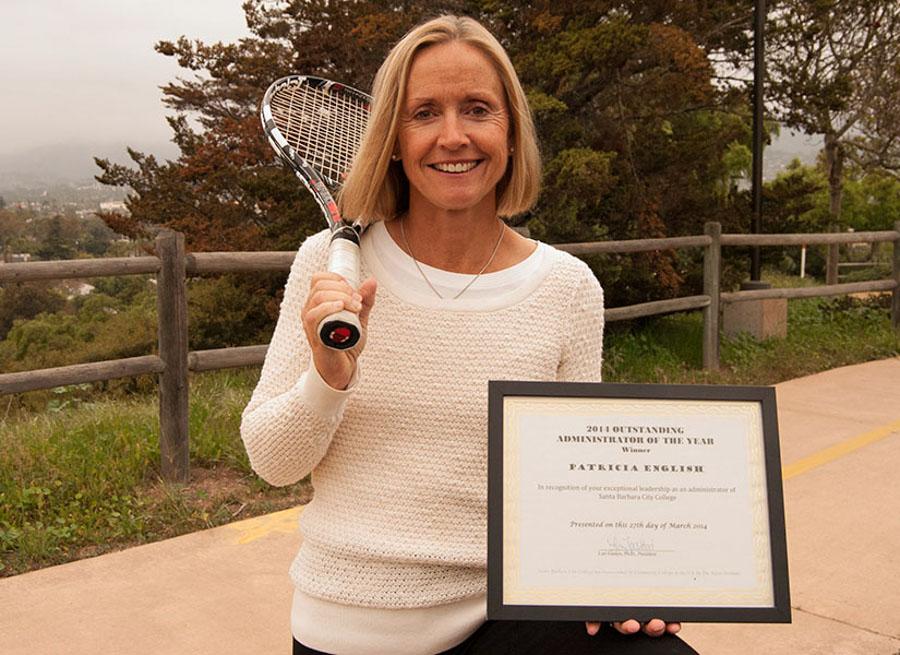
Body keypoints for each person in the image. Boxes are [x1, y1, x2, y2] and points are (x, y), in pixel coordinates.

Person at [241, 15, 697, 655]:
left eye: (477, 109)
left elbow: (577, 484)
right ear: (394, 139)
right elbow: (272, 464)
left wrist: (619, 578)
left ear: (510, 130)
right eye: (424, 112)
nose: (453, 137)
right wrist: (329, 374)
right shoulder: (327, 262)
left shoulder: (569, 287)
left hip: (510, 614)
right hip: (354, 626)